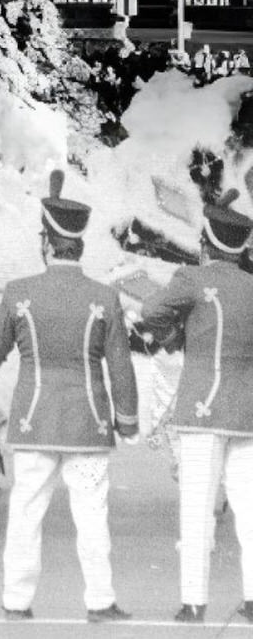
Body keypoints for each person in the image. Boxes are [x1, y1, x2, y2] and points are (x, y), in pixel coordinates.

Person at [0, 170, 137, 624]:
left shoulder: (18, 292)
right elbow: (120, 366)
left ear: (46, 243)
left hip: (32, 421)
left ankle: (16, 600)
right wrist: (126, 420)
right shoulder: (104, 297)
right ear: (78, 243)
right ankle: (101, 601)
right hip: (87, 424)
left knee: (26, 513)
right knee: (91, 516)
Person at [136, 185, 253, 623]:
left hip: (202, 407)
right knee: (251, 508)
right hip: (248, 412)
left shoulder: (192, 279)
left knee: (196, 506)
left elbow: (150, 313)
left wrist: (177, 337)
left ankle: (193, 602)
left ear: (205, 244)